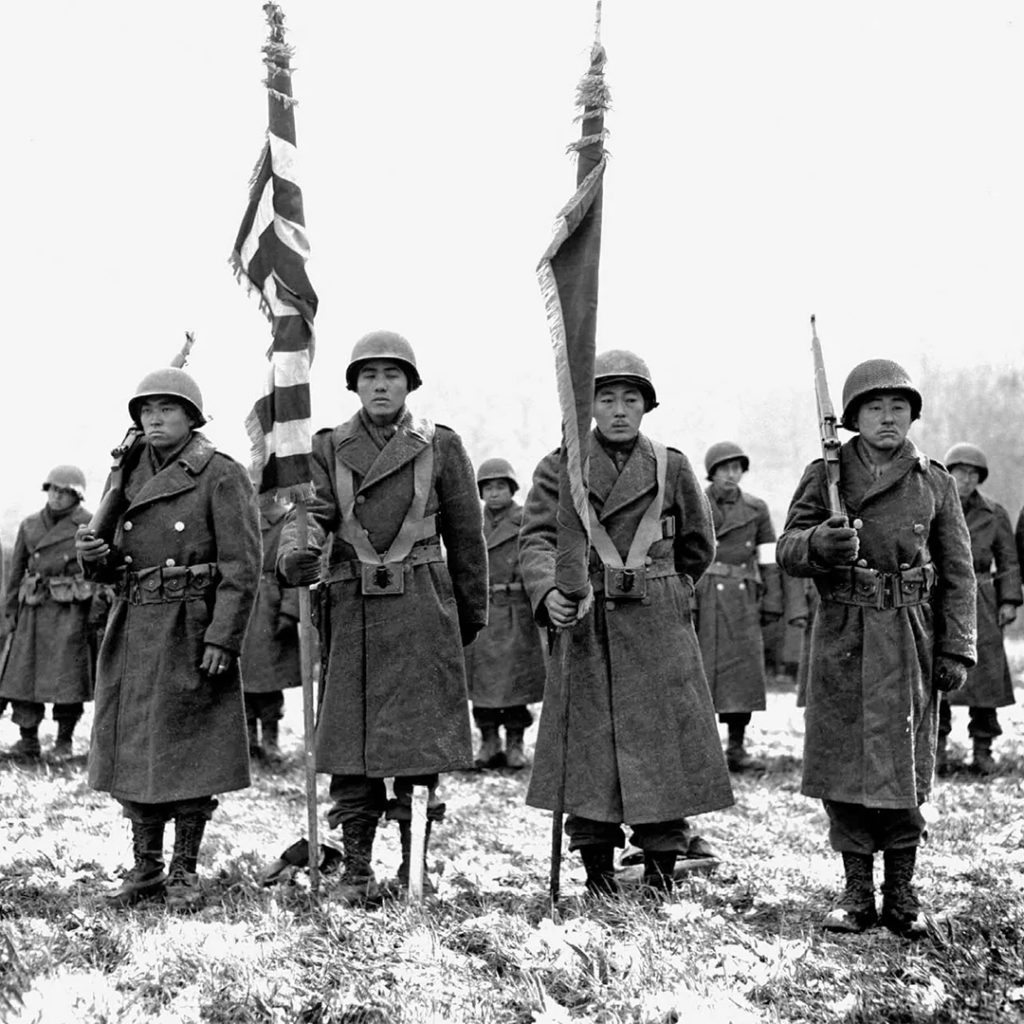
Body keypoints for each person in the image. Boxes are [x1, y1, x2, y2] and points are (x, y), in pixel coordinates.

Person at [275, 330, 487, 904]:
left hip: (422, 604)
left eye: (392, 375)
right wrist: (296, 550)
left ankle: (413, 867)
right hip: (352, 607)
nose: (380, 385)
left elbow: (468, 539)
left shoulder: (441, 445)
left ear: (410, 384)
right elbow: (309, 513)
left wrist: (467, 615)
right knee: (353, 746)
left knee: (418, 748)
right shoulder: (327, 446)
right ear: (354, 386)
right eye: (368, 376)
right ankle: (357, 871)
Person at [519, 349, 733, 896]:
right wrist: (549, 592)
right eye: (606, 398)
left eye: (630, 399)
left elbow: (697, 546)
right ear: (588, 406)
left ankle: (662, 872)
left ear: (647, 406)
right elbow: (538, 539)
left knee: (663, 750)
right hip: (587, 620)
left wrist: (667, 590)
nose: (618, 410)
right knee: (590, 755)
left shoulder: (673, 465)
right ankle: (597, 875)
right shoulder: (559, 465)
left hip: (656, 626)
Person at [778, 359, 975, 936]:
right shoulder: (824, 476)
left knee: (905, 765)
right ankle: (857, 892)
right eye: (874, 408)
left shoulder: (933, 481)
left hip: (911, 635)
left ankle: (903, 892)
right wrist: (821, 542)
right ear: (853, 419)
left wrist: (957, 648)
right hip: (844, 632)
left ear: (913, 416)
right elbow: (788, 550)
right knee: (844, 764)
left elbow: (958, 572)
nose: (888, 419)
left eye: (898, 409)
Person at [76, 368, 261, 911]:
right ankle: (146, 867)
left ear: (192, 418)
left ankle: (183, 872)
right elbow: (113, 566)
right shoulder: (127, 474)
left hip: (190, 628)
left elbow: (241, 566)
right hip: (134, 625)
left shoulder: (220, 474)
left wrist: (223, 638)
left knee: (188, 753)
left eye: (167, 410)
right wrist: (95, 560)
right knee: (135, 750)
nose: (154, 419)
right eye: (146, 411)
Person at [0, 466, 101, 761]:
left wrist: (97, 608)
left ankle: (64, 741)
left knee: (66, 681)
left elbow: (100, 572)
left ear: (77, 496)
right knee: (22, 678)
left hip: (71, 612)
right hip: (33, 609)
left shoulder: (90, 524)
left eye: (65, 492)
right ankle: (27, 740)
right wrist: (9, 610)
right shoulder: (30, 525)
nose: (57, 497)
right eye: (54, 490)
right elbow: (16, 571)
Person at [695, 442, 783, 773]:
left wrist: (772, 600)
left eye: (737, 468)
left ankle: (736, 747)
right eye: (724, 469)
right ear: (712, 472)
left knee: (740, 676)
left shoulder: (757, 509)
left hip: (743, 600)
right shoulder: (695, 504)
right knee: (700, 673)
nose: (731, 475)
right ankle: (702, 750)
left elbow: (768, 559)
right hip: (703, 597)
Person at [937, 444, 1021, 776]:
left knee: (985, 679)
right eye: (960, 472)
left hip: (983, 599)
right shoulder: (935, 506)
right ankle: (937, 748)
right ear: (949, 473)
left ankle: (983, 749)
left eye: (974, 474)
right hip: (941, 597)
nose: (967, 479)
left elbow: (1009, 561)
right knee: (939, 676)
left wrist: (1009, 601)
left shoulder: (994, 513)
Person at [465, 458, 546, 770]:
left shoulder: (526, 520)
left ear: (512, 489)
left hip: (516, 611)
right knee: (482, 687)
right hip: (481, 612)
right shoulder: (471, 521)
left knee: (515, 684)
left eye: (500, 486)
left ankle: (515, 742)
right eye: (487, 487)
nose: (494, 492)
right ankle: (488, 741)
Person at [240, 498, 301, 765]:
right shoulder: (238, 517)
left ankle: (270, 741)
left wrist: (290, 610)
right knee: (241, 681)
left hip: (270, 609)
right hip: (241, 605)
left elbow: (293, 571)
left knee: (268, 682)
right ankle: (249, 740)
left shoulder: (286, 522)